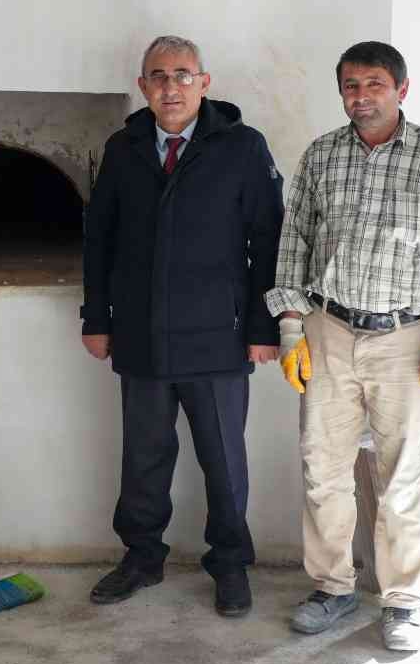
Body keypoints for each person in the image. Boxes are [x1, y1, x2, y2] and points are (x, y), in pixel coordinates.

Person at [268, 41, 420, 653]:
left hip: (406, 339)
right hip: (329, 331)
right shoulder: (322, 155)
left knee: (403, 475)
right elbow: (294, 242)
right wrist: (291, 328)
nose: (362, 97)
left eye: (375, 84)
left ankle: (402, 600)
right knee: (323, 469)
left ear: (401, 90)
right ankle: (332, 586)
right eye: (351, 86)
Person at [81, 35, 284, 618]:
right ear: (143, 86)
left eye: (182, 75)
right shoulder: (123, 148)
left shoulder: (242, 147)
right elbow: (99, 239)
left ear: (204, 82)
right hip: (140, 332)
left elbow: (269, 241)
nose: (171, 86)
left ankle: (230, 563)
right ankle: (142, 557)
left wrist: (265, 326)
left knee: (223, 459)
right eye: (158, 76)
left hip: (219, 334)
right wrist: (96, 317)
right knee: (143, 456)